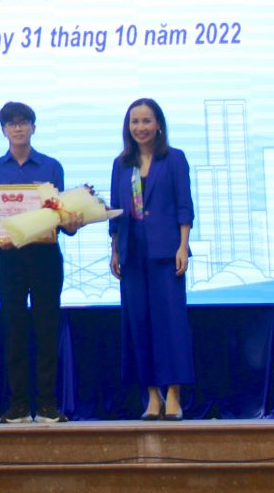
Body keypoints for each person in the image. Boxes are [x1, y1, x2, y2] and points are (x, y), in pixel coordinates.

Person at [0, 101, 81, 424]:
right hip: (9, 258)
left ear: (33, 128)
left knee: (47, 329)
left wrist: (71, 221)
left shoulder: (52, 167)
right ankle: (19, 406)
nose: (18, 128)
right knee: (14, 329)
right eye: (11, 123)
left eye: (23, 122)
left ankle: (48, 405)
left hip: (45, 257)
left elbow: (61, 215)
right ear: (3, 131)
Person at [108, 98, 195, 421]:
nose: (140, 127)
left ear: (158, 124)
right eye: (135, 121)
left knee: (170, 324)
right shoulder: (121, 163)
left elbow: (184, 205)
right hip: (132, 253)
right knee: (139, 324)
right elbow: (116, 210)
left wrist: (183, 246)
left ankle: (174, 395)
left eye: (146, 121)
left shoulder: (174, 159)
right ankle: (152, 397)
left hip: (166, 251)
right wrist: (115, 249)